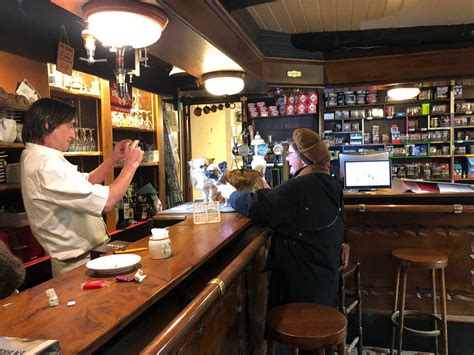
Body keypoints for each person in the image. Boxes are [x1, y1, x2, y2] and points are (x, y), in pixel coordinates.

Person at [218, 128, 344, 310]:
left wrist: (231, 194)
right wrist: (272, 194)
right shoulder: (331, 184)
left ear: (303, 159)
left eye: (290, 154)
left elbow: (256, 207)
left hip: (300, 292)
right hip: (326, 285)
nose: (286, 158)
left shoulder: (298, 187)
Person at [20, 98, 143, 276]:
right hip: (78, 264)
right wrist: (131, 165)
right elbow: (108, 202)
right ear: (48, 125)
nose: (73, 135)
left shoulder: (39, 157)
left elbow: (86, 182)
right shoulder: (45, 165)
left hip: (85, 258)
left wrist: (114, 158)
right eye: (70, 126)